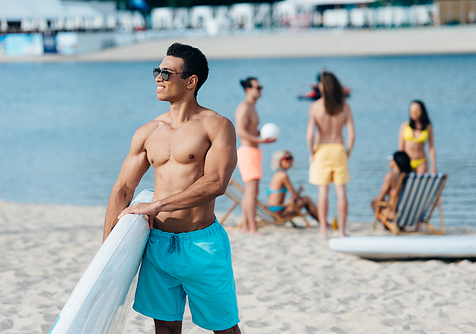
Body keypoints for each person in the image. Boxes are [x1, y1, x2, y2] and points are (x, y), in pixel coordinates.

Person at [103, 43, 240, 334]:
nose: (158, 78)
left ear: (191, 81)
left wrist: (156, 206)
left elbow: (216, 183)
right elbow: (123, 190)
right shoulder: (148, 131)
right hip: (157, 246)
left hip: (202, 244)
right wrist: (107, 251)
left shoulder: (216, 126)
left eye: (166, 72)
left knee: (224, 329)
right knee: (165, 329)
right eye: (157, 71)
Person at [306, 70, 355, 238]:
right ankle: (342, 231)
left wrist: (312, 153)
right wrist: (347, 152)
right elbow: (352, 134)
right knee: (341, 192)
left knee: (323, 192)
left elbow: (310, 135)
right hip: (339, 148)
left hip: (322, 150)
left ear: (322, 87)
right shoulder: (344, 107)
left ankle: (323, 230)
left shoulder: (315, 107)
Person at [234, 77, 276, 235]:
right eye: (257, 87)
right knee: (252, 192)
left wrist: (262, 136)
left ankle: (246, 227)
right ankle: (252, 228)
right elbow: (241, 131)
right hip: (248, 151)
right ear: (248, 90)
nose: (260, 90)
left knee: (250, 192)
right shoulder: (244, 107)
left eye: (260, 87)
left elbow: (250, 130)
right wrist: (260, 140)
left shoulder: (252, 107)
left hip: (252, 151)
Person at [267, 150, 319, 222]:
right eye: (287, 158)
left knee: (303, 199)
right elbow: (295, 196)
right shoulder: (283, 175)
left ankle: (323, 222)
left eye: (291, 158)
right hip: (278, 214)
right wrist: (299, 193)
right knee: (306, 199)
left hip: (273, 211)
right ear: (279, 161)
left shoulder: (277, 174)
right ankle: (323, 222)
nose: (290, 161)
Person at [371, 151, 412, 221]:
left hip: (395, 214)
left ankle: (386, 224)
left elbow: (381, 198)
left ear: (396, 161)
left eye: (391, 158)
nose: (390, 160)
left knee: (374, 202)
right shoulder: (411, 177)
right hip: (410, 214)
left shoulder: (390, 177)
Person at [398, 100, 436, 174]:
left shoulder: (428, 127)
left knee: (421, 183)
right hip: (407, 161)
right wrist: (400, 164)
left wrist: (433, 165)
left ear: (422, 111)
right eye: (411, 111)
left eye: (417, 111)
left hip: (421, 160)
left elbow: (431, 147)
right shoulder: (405, 126)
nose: (414, 113)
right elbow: (401, 148)